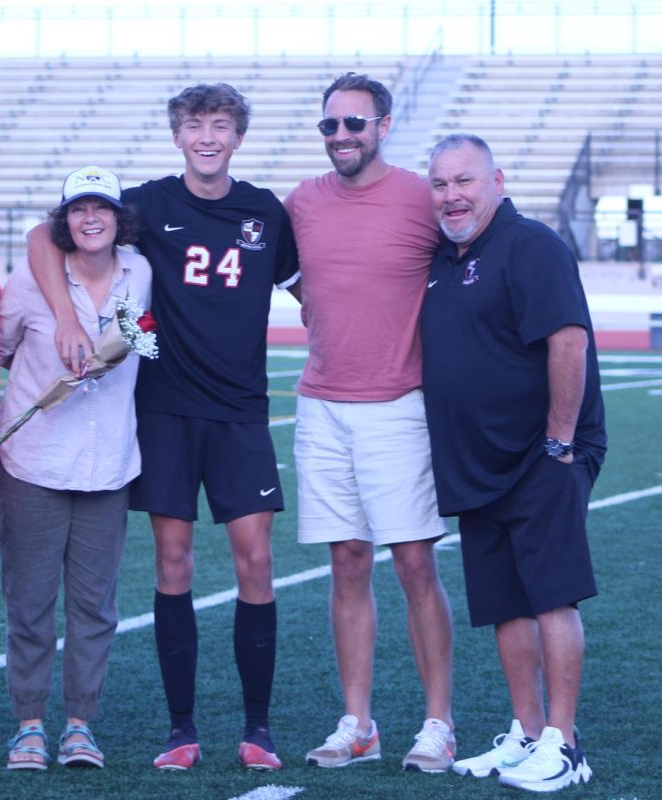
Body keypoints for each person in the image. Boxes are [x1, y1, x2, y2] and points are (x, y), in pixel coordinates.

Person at [24, 84, 300, 771]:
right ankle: (181, 729)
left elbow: (306, 284)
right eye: (194, 125)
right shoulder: (147, 202)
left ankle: (257, 729)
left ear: (239, 136)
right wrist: (63, 315)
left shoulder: (266, 210)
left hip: (240, 411)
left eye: (221, 125)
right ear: (176, 135)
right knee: (172, 563)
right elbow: (42, 234)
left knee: (256, 564)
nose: (207, 137)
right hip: (167, 409)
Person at [420, 133, 606, 793]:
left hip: (541, 453)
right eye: (439, 184)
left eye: (464, 181)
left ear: (496, 179)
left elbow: (568, 342)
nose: (451, 196)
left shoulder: (534, 248)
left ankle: (565, 743)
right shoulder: (443, 257)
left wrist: (559, 442)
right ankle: (526, 733)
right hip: (480, 462)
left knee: (550, 593)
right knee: (504, 602)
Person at [284, 72, 457, 774]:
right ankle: (359, 722)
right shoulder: (301, 202)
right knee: (346, 561)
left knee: (415, 562)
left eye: (354, 124)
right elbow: (292, 275)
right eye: (330, 126)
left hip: (399, 403)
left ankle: (439, 722)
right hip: (322, 402)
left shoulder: (421, 195)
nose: (341, 137)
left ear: (384, 125)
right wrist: (318, 304)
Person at [0, 166, 152, 772]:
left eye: (103, 209)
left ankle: (80, 726)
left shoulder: (139, 272)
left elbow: (141, 337)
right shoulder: (29, 284)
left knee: (95, 607)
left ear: (119, 219)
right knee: (30, 603)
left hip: (109, 465)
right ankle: (30, 725)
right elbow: (2, 351)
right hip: (34, 463)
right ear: (64, 219)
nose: (92, 219)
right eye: (80, 209)